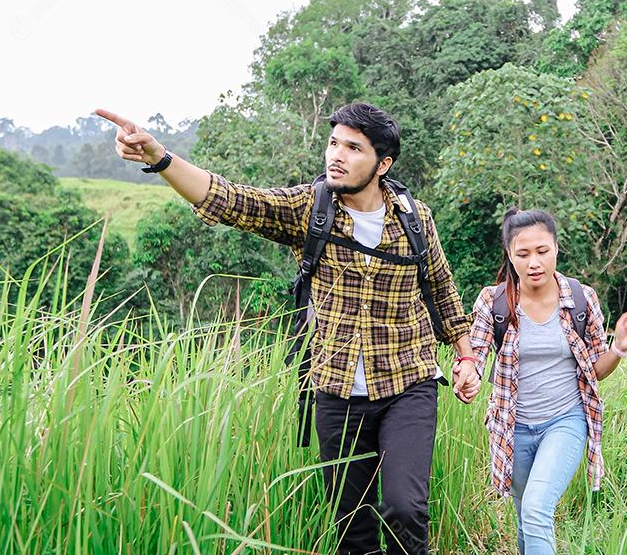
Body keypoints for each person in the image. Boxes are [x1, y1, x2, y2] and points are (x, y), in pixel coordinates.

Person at [96, 102, 482, 555]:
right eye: (333, 142)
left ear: (384, 163)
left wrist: (467, 354)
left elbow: (440, 286)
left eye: (353, 148)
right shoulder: (309, 209)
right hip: (337, 389)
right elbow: (230, 200)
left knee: (404, 507)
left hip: (408, 382)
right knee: (351, 526)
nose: (336, 155)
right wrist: (161, 158)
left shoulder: (415, 220)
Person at [466, 208, 627, 554]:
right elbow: (475, 354)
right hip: (512, 429)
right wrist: (467, 374)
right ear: (510, 256)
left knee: (536, 509)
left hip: (565, 422)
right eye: (523, 254)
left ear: (556, 249)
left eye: (542, 251)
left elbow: (594, 368)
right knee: (525, 519)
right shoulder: (494, 302)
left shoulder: (581, 299)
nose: (534, 262)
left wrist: (620, 347)